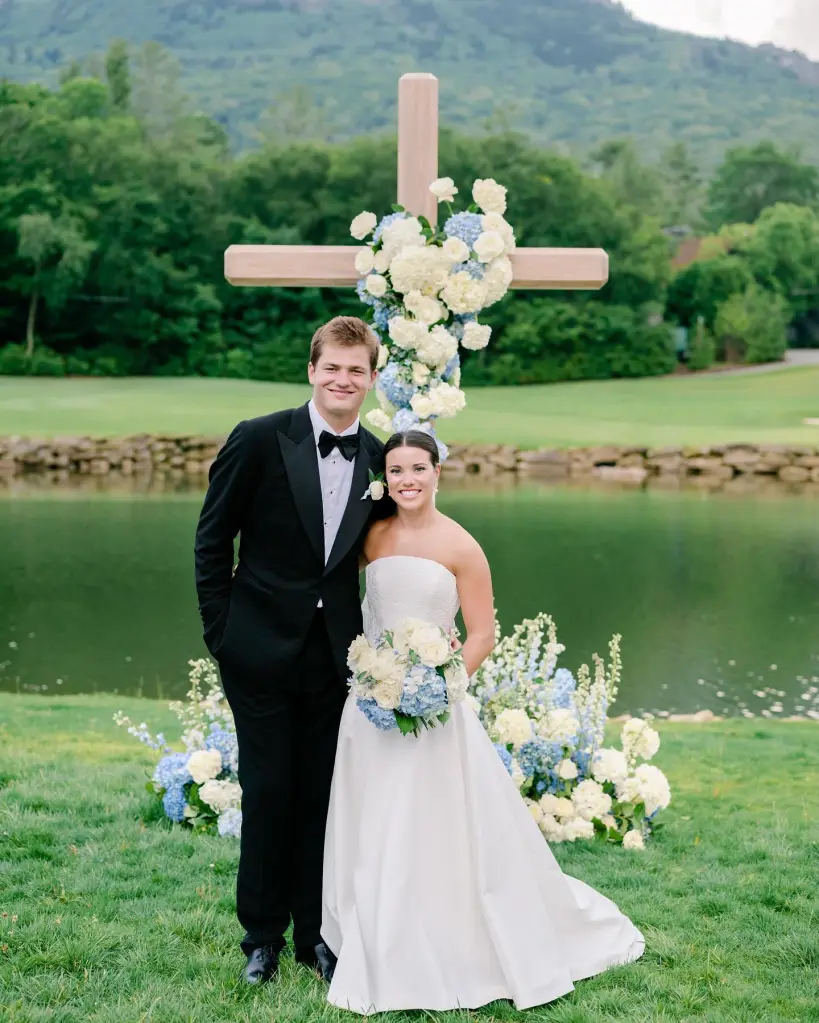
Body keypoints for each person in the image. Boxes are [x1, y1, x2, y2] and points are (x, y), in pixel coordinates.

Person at [321, 430, 645, 1014]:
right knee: (373, 818)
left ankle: (444, 936)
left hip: (434, 710)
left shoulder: (462, 546)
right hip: (370, 707)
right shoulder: (372, 537)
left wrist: (435, 688)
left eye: (418, 468)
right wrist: (378, 679)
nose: (407, 480)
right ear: (385, 478)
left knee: (434, 826)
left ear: (437, 471)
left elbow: (483, 634)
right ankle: (373, 928)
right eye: (395, 471)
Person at [194, 316, 392, 985]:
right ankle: (260, 936)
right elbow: (211, 540)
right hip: (257, 650)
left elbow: (390, 550)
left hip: (336, 658)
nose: (342, 379)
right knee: (269, 789)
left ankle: (317, 936)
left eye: (355, 369)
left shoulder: (376, 457)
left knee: (321, 798)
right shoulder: (257, 438)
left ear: (371, 377)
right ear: (311, 369)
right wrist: (221, 634)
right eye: (331, 367)